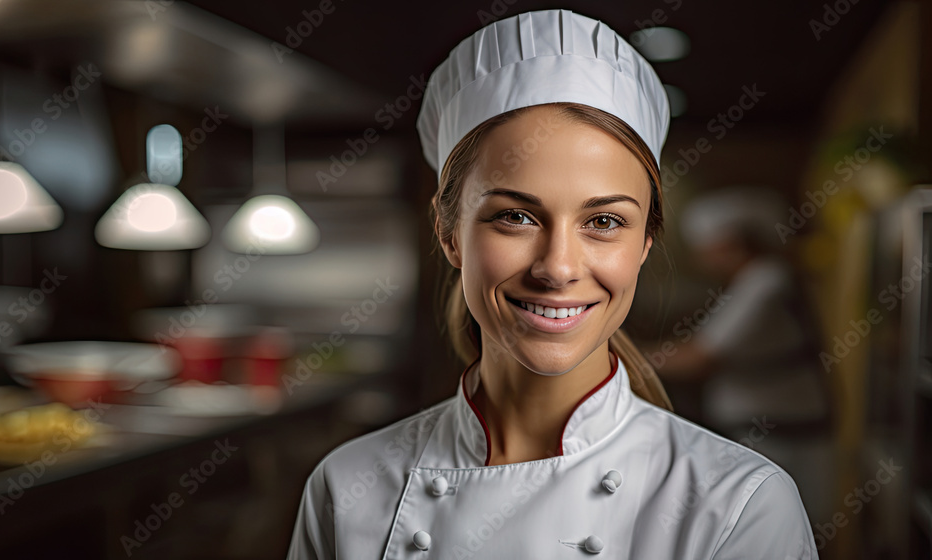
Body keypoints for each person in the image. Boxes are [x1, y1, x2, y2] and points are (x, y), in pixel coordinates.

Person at [287, 10, 818, 559]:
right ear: (448, 232)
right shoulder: (346, 489)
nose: (557, 267)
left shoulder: (739, 506)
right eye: (515, 216)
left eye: (604, 222)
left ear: (644, 245)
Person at [655, 185, 834, 523]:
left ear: (731, 243)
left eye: (706, 248)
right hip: (764, 435)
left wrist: (627, 359)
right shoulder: (750, 282)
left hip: (784, 439)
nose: (700, 259)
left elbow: (700, 357)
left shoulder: (766, 282)